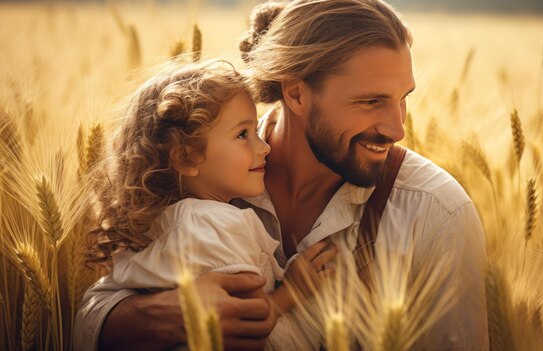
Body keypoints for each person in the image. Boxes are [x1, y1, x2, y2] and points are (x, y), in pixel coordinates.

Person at [74, 0, 488, 350]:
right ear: (296, 93)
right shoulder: (201, 160)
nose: (397, 129)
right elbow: (89, 317)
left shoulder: (437, 213)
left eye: (402, 100)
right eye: (370, 101)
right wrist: (159, 316)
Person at [78, 60, 336, 350]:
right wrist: (293, 290)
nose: (264, 147)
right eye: (242, 135)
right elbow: (245, 325)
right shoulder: (215, 225)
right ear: (186, 157)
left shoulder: (156, 224)